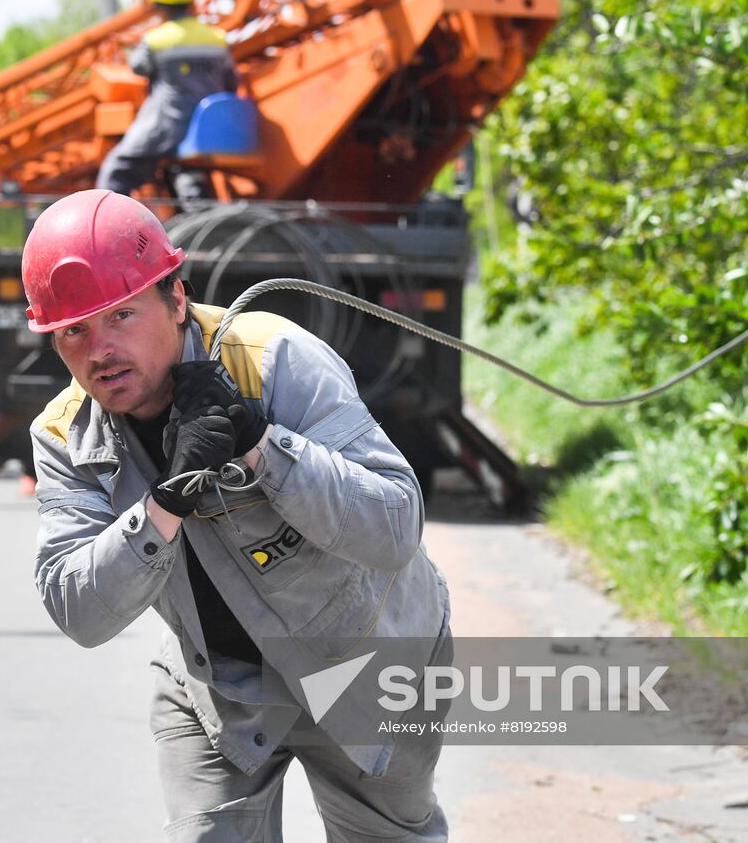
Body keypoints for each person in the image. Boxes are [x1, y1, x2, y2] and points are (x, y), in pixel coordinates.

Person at [26, 189, 452, 842]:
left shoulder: (272, 358)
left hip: (366, 661)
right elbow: (79, 611)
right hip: (220, 688)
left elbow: (393, 528)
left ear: (175, 299)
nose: (98, 350)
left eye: (120, 316)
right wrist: (165, 503)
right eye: (73, 331)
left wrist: (259, 443)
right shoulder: (65, 434)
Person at [95, 0, 239, 204]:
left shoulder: (156, 40)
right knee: (185, 175)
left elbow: (137, 67)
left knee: (117, 169)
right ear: (190, 1)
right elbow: (231, 83)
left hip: (166, 127)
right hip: (208, 129)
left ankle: (105, 223)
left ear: (159, 6)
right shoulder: (218, 39)